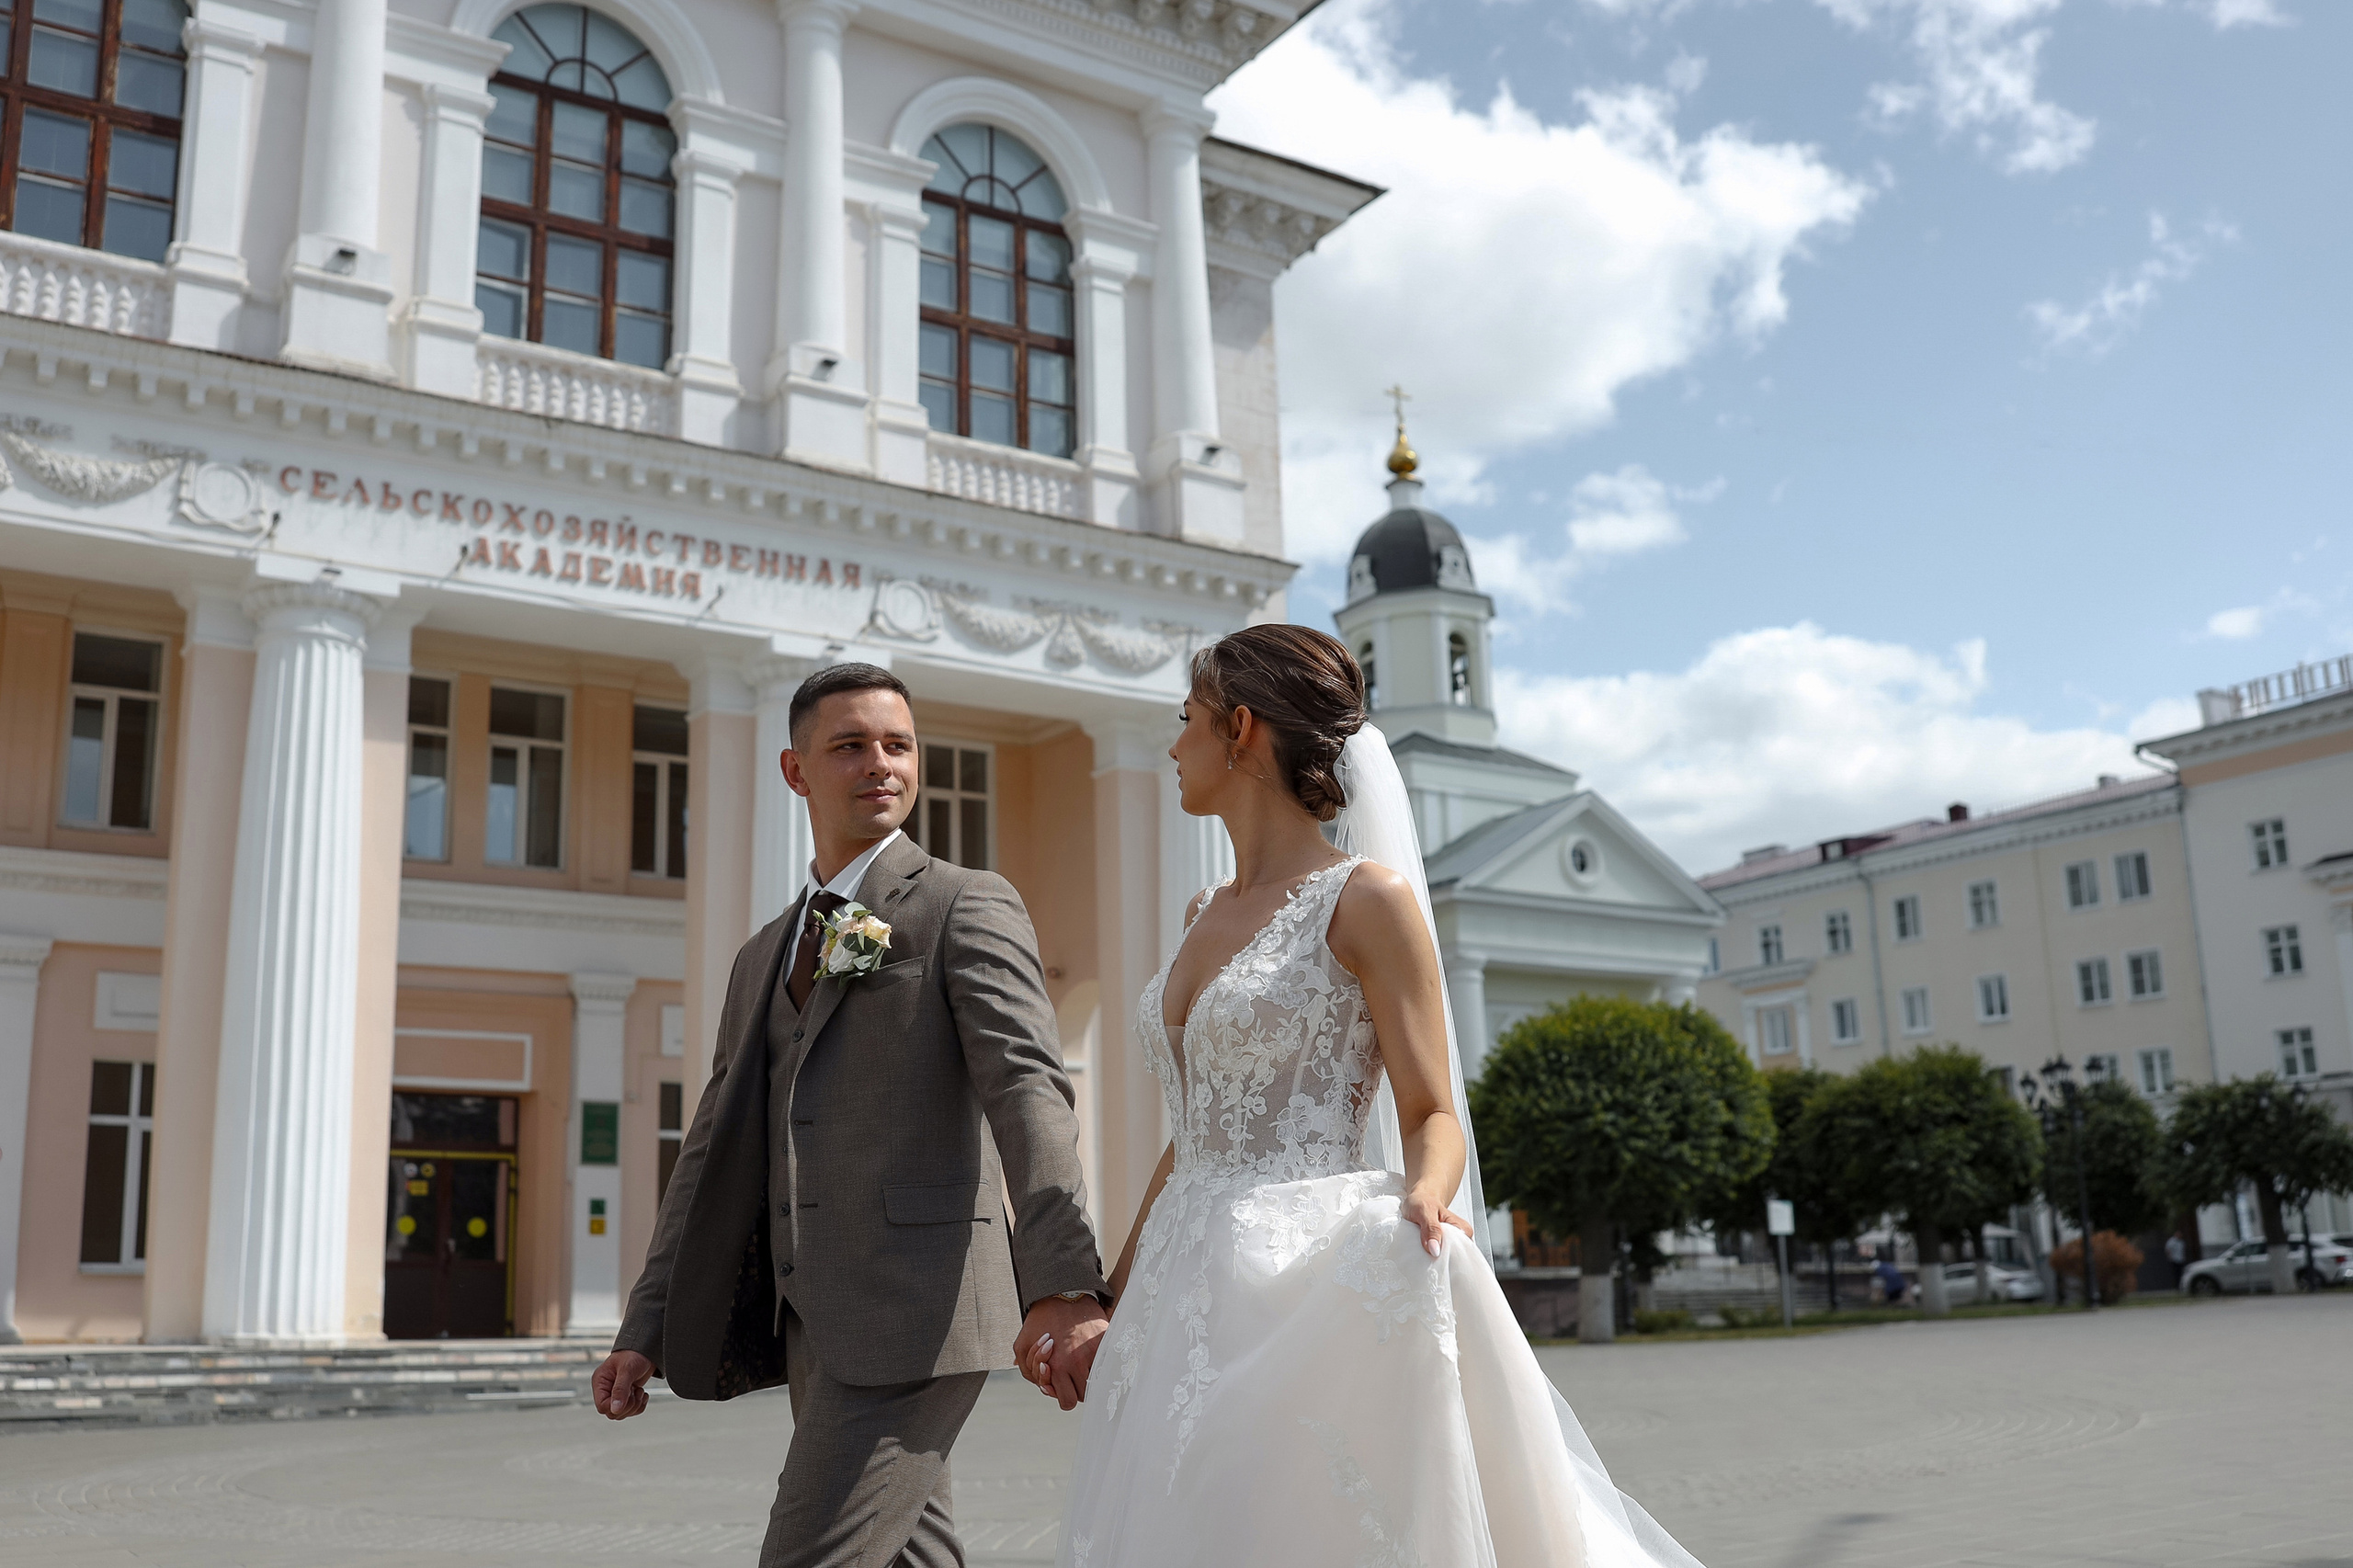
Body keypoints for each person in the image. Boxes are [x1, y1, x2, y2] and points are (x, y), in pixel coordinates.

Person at [1049, 624, 1703, 1568]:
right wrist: (1111, 1291)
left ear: (1238, 728)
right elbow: (1194, 1136)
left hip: (1304, 1280)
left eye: (1183, 718)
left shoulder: (1366, 897)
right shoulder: (1199, 911)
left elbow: (1433, 1107)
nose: (1171, 742)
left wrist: (1426, 1193)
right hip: (1177, 1288)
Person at [589, 662, 1109, 1568]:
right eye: (850, 745)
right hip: (812, 1316)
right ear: (795, 770)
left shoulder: (961, 902)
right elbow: (709, 1148)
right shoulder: (764, 952)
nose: (881, 762)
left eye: (898, 744)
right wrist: (645, 1325)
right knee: (912, 1548)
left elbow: (1029, 1089)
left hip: (921, 1308)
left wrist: (1065, 1278)